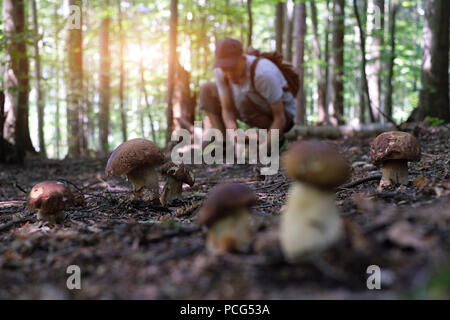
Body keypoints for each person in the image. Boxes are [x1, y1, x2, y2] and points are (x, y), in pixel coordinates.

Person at [199, 37, 296, 149]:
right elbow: (227, 110)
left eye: (233, 67)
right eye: (225, 69)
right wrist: (234, 136)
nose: (229, 74)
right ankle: (224, 144)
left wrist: (263, 150)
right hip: (247, 105)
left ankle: (274, 138)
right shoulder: (220, 71)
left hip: (283, 116)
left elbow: (280, 118)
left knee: (242, 100)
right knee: (207, 90)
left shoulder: (263, 73)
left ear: (243, 59)